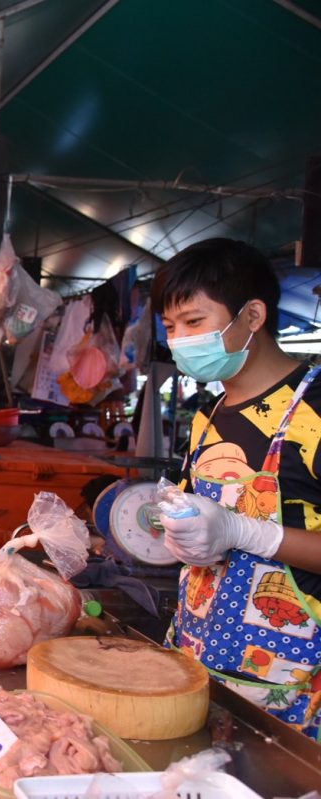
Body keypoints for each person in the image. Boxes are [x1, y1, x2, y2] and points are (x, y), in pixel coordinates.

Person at [153, 237, 321, 739]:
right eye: (170, 327)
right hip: (200, 669)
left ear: (252, 315)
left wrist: (252, 534)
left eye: (194, 322)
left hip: (298, 695)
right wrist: (178, 533)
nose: (180, 340)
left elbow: (240, 531)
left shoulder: (314, 410)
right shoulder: (207, 416)